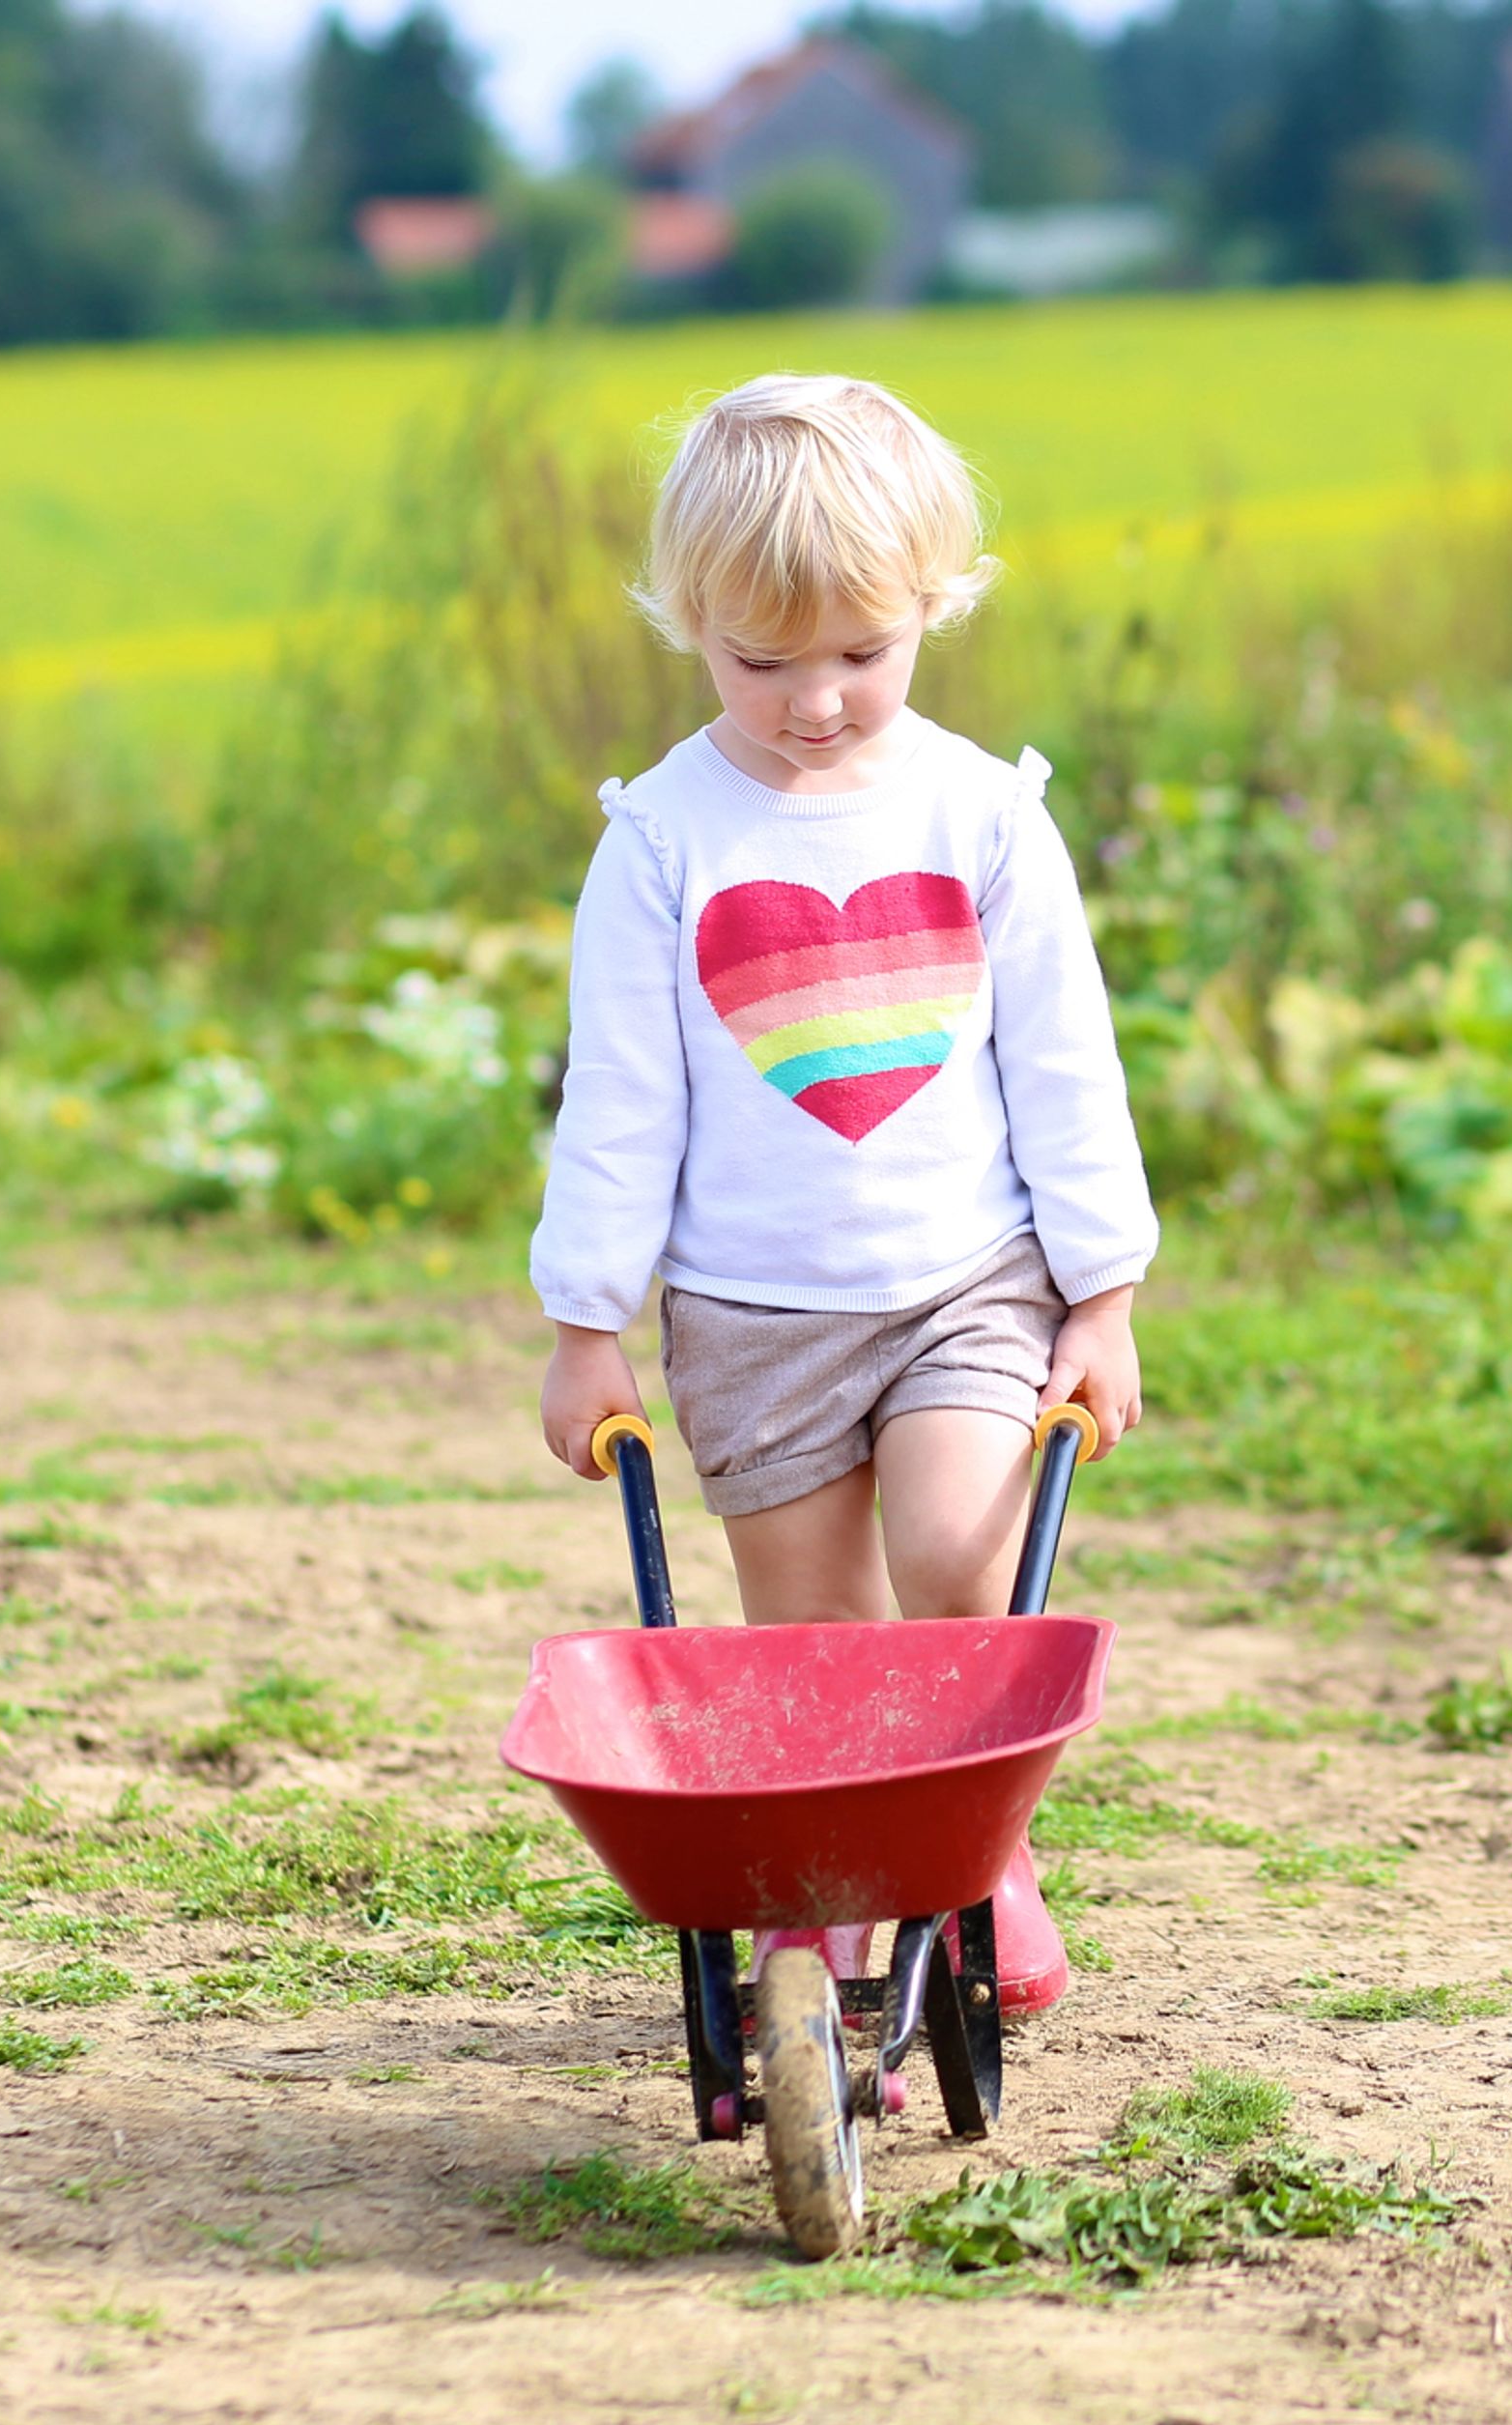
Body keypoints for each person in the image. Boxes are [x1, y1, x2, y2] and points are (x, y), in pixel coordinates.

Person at [528, 372, 1158, 2014]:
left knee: (958, 1557)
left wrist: (1101, 1293)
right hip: (752, 1317)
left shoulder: (981, 817)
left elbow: (1064, 1063)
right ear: (688, 624)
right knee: (809, 1644)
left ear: (935, 608)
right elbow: (620, 1102)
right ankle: (828, 1896)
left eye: (862, 655)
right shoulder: (663, 843)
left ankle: (972, 1849)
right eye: (762, 660)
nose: (814, 702)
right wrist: (587, 1320)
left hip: (969, 1284)